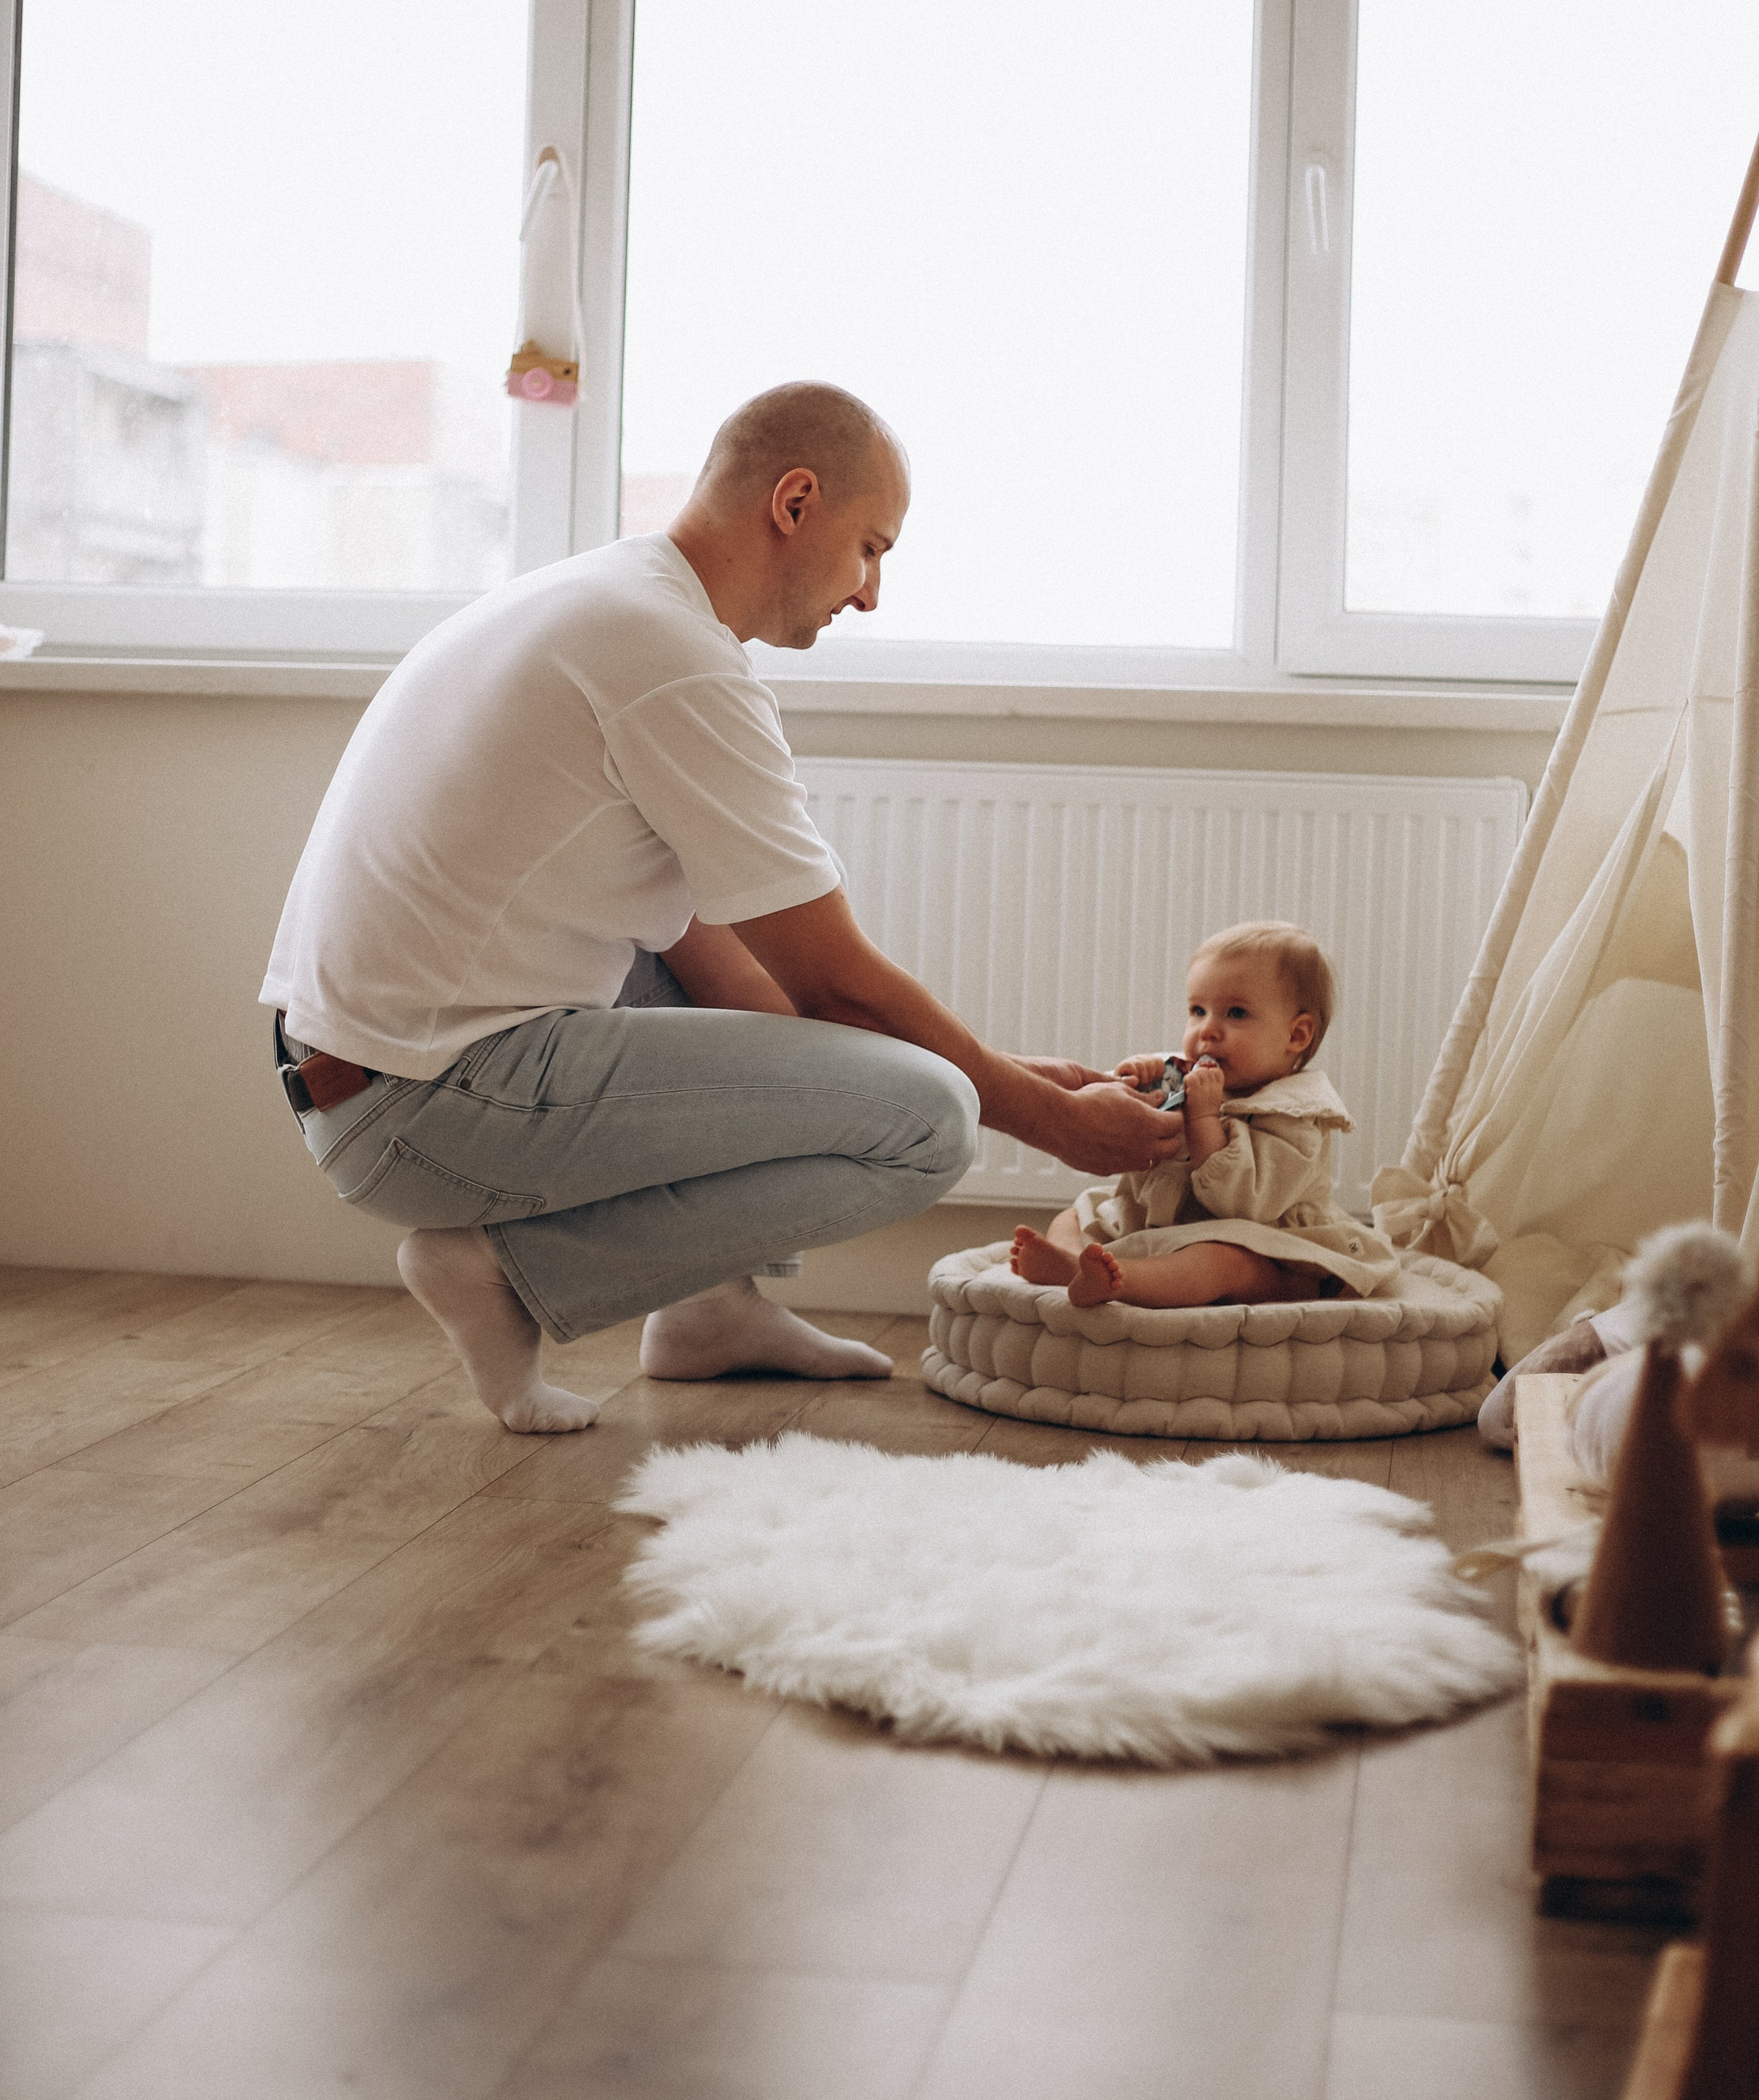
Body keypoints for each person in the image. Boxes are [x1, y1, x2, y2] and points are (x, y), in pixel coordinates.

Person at [262, 380, 1185, 1432]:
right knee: (930, 1125)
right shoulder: (672, 660)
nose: (872, 593)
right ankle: (505, 1274)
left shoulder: (617, 602)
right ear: (795, 503)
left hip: (367, 1075)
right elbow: (839, 984)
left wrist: (1006, 1072)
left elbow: (736, 980)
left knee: (850, 1056)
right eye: (872, 548)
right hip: (417, 1105)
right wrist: (1043, 1116)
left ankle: (709, 1313)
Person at [1008, 920, 1397, 1309]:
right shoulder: (1191, 1078)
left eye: (1236, 1013)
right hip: (1172, 1224)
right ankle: (1067, 1261)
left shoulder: (1297, 1114)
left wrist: (1203, 1121)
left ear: (1296, 1036)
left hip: (1267, 1253)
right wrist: (1136, 1081)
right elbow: (1131, 1129)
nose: (1207, 1030)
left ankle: (1122, 1282)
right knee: (1076, 1213)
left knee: (1219, 1262)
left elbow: (1244, 1204)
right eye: (1198, 1010)